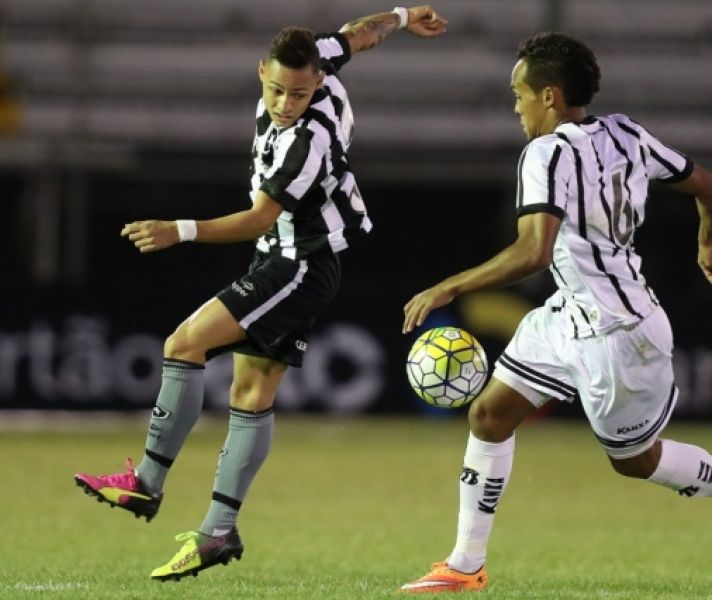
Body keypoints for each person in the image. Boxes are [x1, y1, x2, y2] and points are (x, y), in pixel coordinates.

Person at [399, 32, 712, 593]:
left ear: (549, 97)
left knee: (635, 461)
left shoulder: (545, 152)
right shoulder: (626, 133)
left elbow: (533, 252)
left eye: (519, 95)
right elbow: (711, 188)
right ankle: (465, 564)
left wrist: (449, 286)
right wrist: (709, 239)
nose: (516, 107)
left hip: (619, 333)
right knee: (489, 415)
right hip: (568, 314)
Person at [74, 5, 447, 582]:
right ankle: (217, 532)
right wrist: (400, 14)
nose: (285, 104)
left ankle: (146, 484)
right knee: (251, 391)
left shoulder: (308, 140)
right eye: (277, 90)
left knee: (183, 344)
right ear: (262, 72)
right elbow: (359, 35)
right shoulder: (320, 57)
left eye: (298, 94)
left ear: (317, 83)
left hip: (299, 263)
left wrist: (179, 230)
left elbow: (257, 218)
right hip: (287, 259)